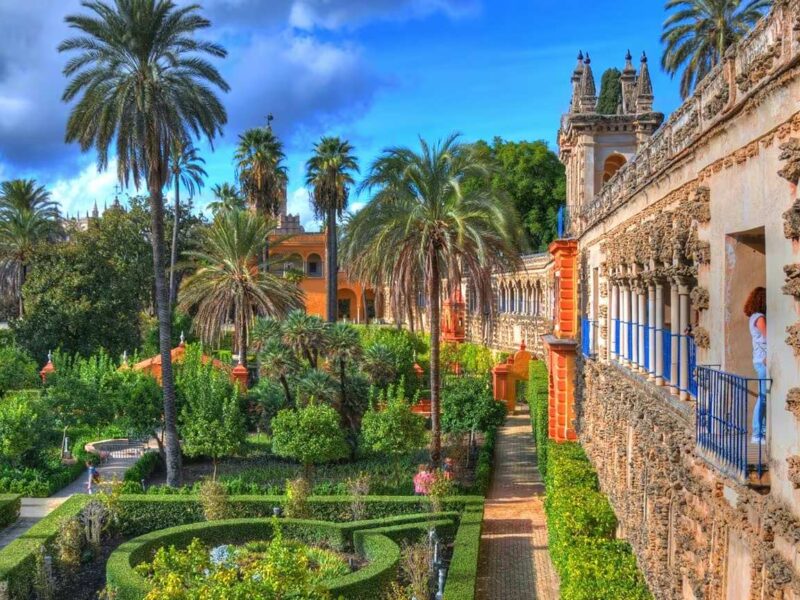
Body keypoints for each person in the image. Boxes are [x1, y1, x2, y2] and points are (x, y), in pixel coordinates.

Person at [744, 287, 767, 444]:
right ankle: (758, 433)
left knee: (764, 395)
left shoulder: (753, 317)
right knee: (763, 396)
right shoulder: (759, 318)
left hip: (758, 360)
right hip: (763, 360)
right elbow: (769, 337)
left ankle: (761, 431)